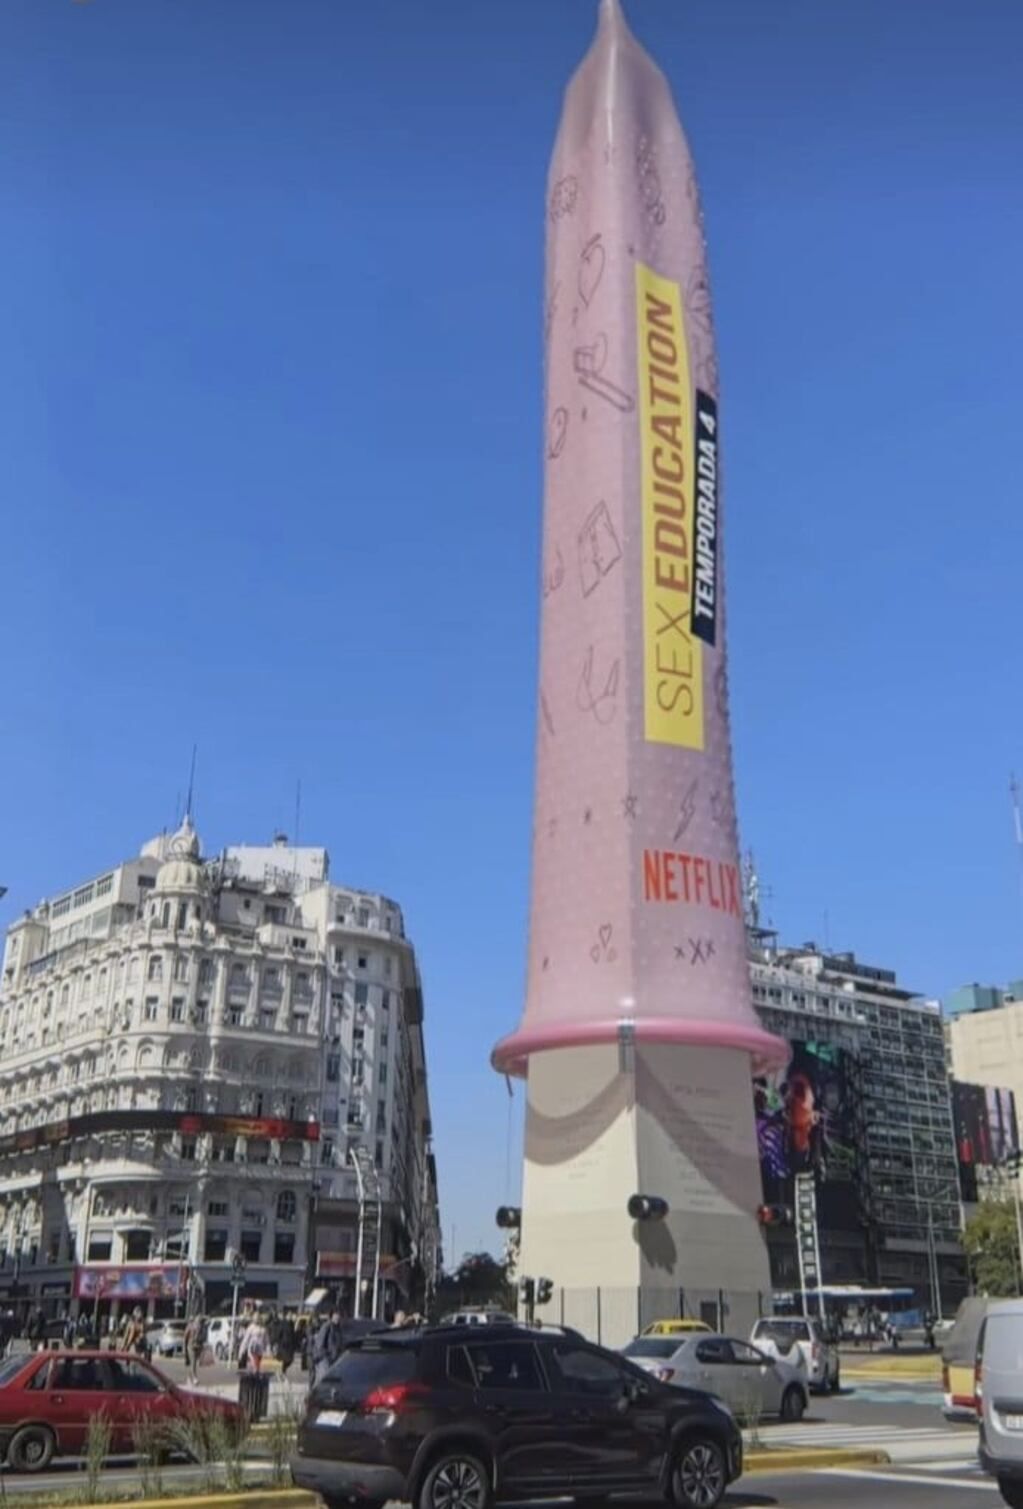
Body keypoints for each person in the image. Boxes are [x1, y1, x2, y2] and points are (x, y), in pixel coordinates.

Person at [311, 1309, 344, 1386]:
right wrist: (325, 1355)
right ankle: (314, 1396)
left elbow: (339, 1344)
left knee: (329, 1381)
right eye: (336, 1316)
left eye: (339, 1316)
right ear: (331, 1316)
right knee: (322, 1380)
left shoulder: (338, 1328)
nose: (337, 1318)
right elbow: (320, 1344)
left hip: (334, 1359)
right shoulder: (327, 1326)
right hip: (324, 1358)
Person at [183, 1313, 207, 1386]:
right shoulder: (191, 1326)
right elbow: (185, 1338)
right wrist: (184, 1349)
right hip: (191, 1346)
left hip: (198, 1346)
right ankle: (195, 1378)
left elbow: (204, 1338)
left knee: (193, 1363)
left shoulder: (202, 1327)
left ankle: (190, 1378)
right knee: (193, 1363)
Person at [274, 1311, 297, 1378]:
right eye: (289, 1316)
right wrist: (277, 1342)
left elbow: (293, 1334)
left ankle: (282, 1371)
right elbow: (278, 1333)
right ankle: (282, 1372)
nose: (291, 1317)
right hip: (284, 1345)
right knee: (286, 1359)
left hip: (290, 1345)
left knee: (290, 1360)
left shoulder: (291, 1323)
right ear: (287, 1316)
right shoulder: (282, 1323)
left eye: (291, 1316)